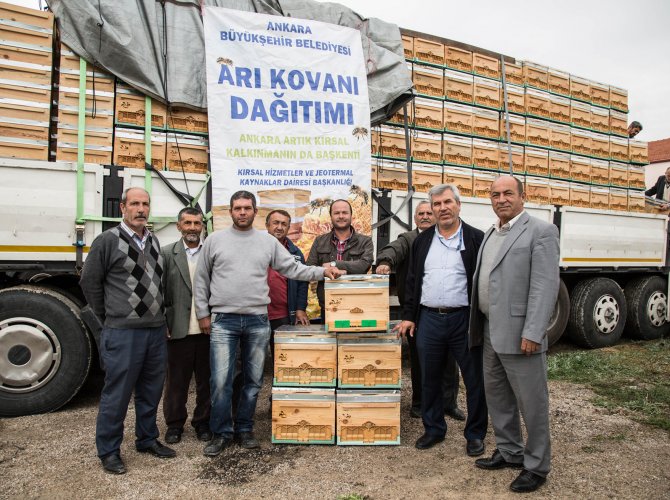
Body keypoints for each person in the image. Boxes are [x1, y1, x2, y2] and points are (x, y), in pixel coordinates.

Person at [194, 190, 343, 456]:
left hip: (257, 320)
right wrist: (203, 314)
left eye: (247, 208)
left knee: (253, 381)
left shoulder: (267, 242)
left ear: (254, 212)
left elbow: (294, 268)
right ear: (231, 211)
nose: (242, 212)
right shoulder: (215, 241)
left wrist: (323, 271)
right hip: (224, 321)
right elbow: (201, 280)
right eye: (237, 208)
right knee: (220, 381)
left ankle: (244, 429)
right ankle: (221, 433)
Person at [469, 175, 559, 494]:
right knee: (498, 396)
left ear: (523, 195)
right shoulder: (493, 231)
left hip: (522, 333)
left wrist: (534, 331)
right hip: (491, 329)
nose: (501, 199)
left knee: (532, 402)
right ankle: (510, 451)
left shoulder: (541, 231)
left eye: (508, 193)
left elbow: (544, 285)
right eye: (495, 194)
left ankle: (536, 465)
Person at [80, 187, 175, 475]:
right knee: (117, 394)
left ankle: (147, 439)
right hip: (123, 332)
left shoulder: (155, 241)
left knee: (151, 390)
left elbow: (160, 285)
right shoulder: (107, 241)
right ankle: (109, 451)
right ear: (123, 207)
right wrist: (109, 316)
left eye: (145, 204)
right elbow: (89, 282)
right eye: (134, 204)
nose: (141, 209)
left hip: (155, 331)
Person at [394, 184, 488, 458]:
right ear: (432, 209)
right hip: (429, 320)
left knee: (474, 380)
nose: (442, 208)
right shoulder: (422, 241)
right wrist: (409, 316)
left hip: (464, 319)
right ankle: (434, 428)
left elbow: (483, 282)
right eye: (437, 204)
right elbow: (413, 281)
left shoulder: (475, 239)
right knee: (429, 378)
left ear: (458, 205)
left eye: (448, 202)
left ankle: (475, 434)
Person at [375, 201, 464, 421]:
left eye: (428, 213)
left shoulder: (446, 239)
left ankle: (449, 404)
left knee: (449, 362)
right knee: (420, 361)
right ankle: (419, 403)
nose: (424, 216)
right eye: (420, 213)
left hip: (448, 312)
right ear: (415, 219)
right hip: (418, 314)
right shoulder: (409, 239)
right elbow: (394, 248)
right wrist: (386, 261)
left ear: (435, 215)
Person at [161, 207, 212, 445]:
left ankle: (203, 422)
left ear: (203, 226)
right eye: (188, 223)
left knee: (207, 381)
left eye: (197, 223)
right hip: (178, 329)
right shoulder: (165, 254)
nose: (193, 228)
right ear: (178, 226)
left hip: (207, 330)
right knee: (176, 382)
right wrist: (163, 322)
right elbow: (158, 292)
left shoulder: (210, 253)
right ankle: (174, 425)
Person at [306, 199, 374, 317]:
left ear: (351, 215)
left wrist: (334, 265)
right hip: (328, 304)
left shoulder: (365, 241)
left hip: (356, 304)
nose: (341, 216)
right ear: (331, 216)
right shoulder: (319, 241)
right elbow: (309, 269)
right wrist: (327, 271)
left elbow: (363, 266)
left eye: (344, 212)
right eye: (337, 213)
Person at [265, 209, 310, 368]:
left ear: (289, 227)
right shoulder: (255, 247)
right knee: (251, 357)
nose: (279, 227)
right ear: (267, 225)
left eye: (284, 224)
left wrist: (300, 308)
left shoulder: (295, 253)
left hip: (282, 314)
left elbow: (303, 282)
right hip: (256, 313)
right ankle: (245, 392)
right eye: (275, 223)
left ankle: (278, 392)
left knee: (283, 357)